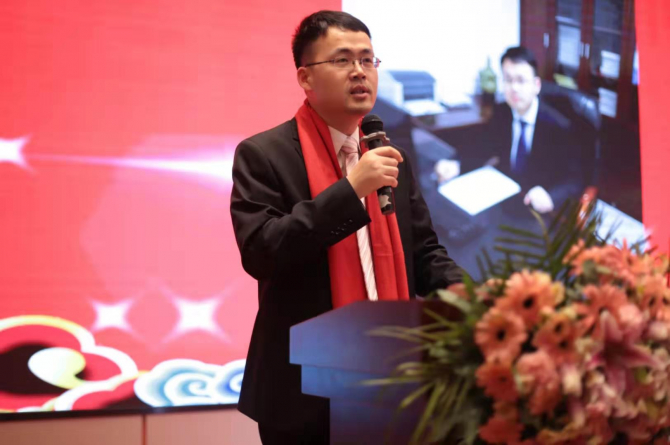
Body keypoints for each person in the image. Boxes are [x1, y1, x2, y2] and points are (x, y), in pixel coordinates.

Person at [230, 10, 463, 445]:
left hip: (393, 380)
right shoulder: (263, 155)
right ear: (305, 77)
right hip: (305, 392)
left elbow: (424, 252)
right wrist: (351, 189)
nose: (359, 71)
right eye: (342, 60)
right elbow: (262, 251)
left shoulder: (387, 155)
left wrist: (467, 293)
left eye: (367, 59)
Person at [443, 46, 587, 214]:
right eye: (508, 80)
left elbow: (575, 179)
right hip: (507, 197)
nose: (514, 88)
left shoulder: (558, 126)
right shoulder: (502, 112)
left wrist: (552, 197)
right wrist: (456, 162)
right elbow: (481, 147)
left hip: (539, 207)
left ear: (536, 85)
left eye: (521, 80)